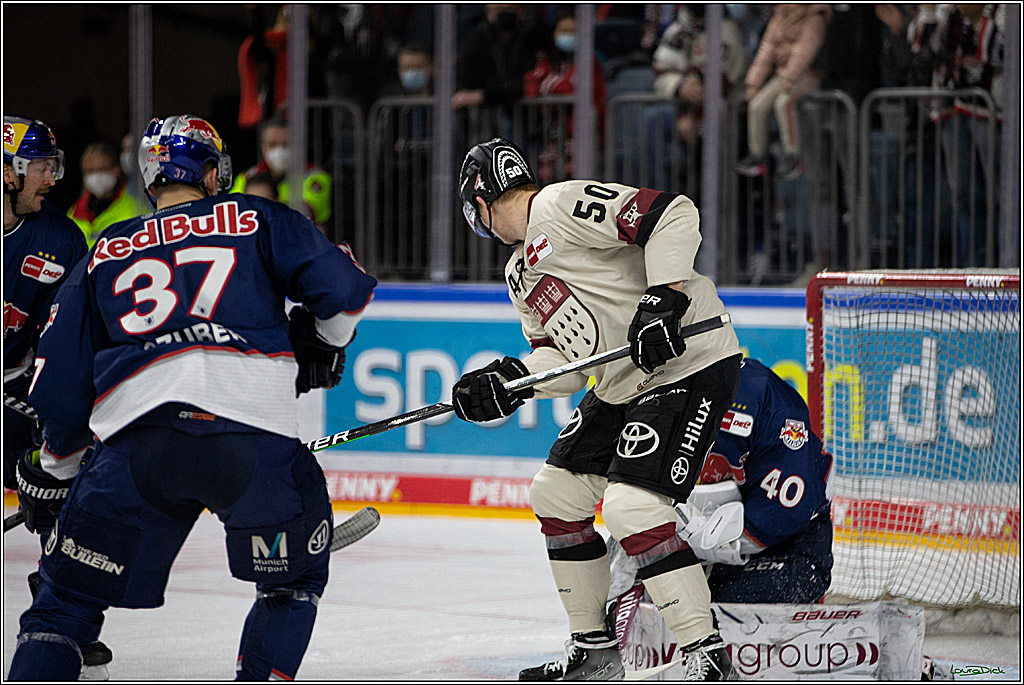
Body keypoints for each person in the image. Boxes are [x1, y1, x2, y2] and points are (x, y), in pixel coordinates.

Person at [7, 113, 377, 680]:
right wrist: (324, 341)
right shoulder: (256, 216)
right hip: (253, 446)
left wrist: (56, 466)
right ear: (209, 174)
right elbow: (347, 292)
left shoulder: (106, 247)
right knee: (293, 582)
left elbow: (58, 373)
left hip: (136, 448)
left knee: (63, 603)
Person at [453, 138, 742, 681]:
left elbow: (672, 213)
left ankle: (706, 658)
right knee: (555, 493)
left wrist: (664, 297)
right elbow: (566, 363)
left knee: (632, 507)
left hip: (689, 363)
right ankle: (594, 652)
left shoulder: (559, 203)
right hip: (621, 383)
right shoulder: (519, 274)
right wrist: (511, 381)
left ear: (480, 203)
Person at [608, 357, 834, 605]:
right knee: (623, 591)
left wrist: (697, 537)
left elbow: (787, 509)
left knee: (716, 606)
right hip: (697, 543)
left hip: (782, 546)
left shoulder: (769, 400)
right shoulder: (652, 387)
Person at [735, 4, 832, 180]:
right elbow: (766, 50)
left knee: (784, 103)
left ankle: (792, 156)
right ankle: (757, 156)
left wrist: (790, 75)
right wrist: (754, 83)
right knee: (756, 105)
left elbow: (806, 49)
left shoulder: (815, 16)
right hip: (782, 74)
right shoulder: (779, 15)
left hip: (808, 74)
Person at [523, 11, 607, 184]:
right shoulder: (547, 60)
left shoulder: (589, 61)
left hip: (580, 135)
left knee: (577, 184)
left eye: (572, 31)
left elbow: (576, 89)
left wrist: (552, 91)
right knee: (549, 183)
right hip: (551, 136)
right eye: (564, 31)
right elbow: (532, 85)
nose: (568, 35)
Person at [229, 115, 333, 231]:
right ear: (263, 146)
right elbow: (231, 211)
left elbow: (305, 214)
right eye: (273, 144)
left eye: (286, 145)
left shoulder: (315, 177)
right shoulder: (248, 177)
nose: (279, 151)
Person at [452, 4, 546, 110]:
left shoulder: (533, 35)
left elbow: (528, 80)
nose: (503, 14)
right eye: (498, 9)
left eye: (510, 9)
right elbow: (467, 75)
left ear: (521, 10)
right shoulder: (480, 37)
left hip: (528, 111)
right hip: (490, 112)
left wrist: (484, 96)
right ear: (488, 13)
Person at [67, 140, 143, 247]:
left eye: (101, 169)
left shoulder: (137, 206)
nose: (96, 176)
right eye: (90, 171)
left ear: (116, 170)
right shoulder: (74, 213)